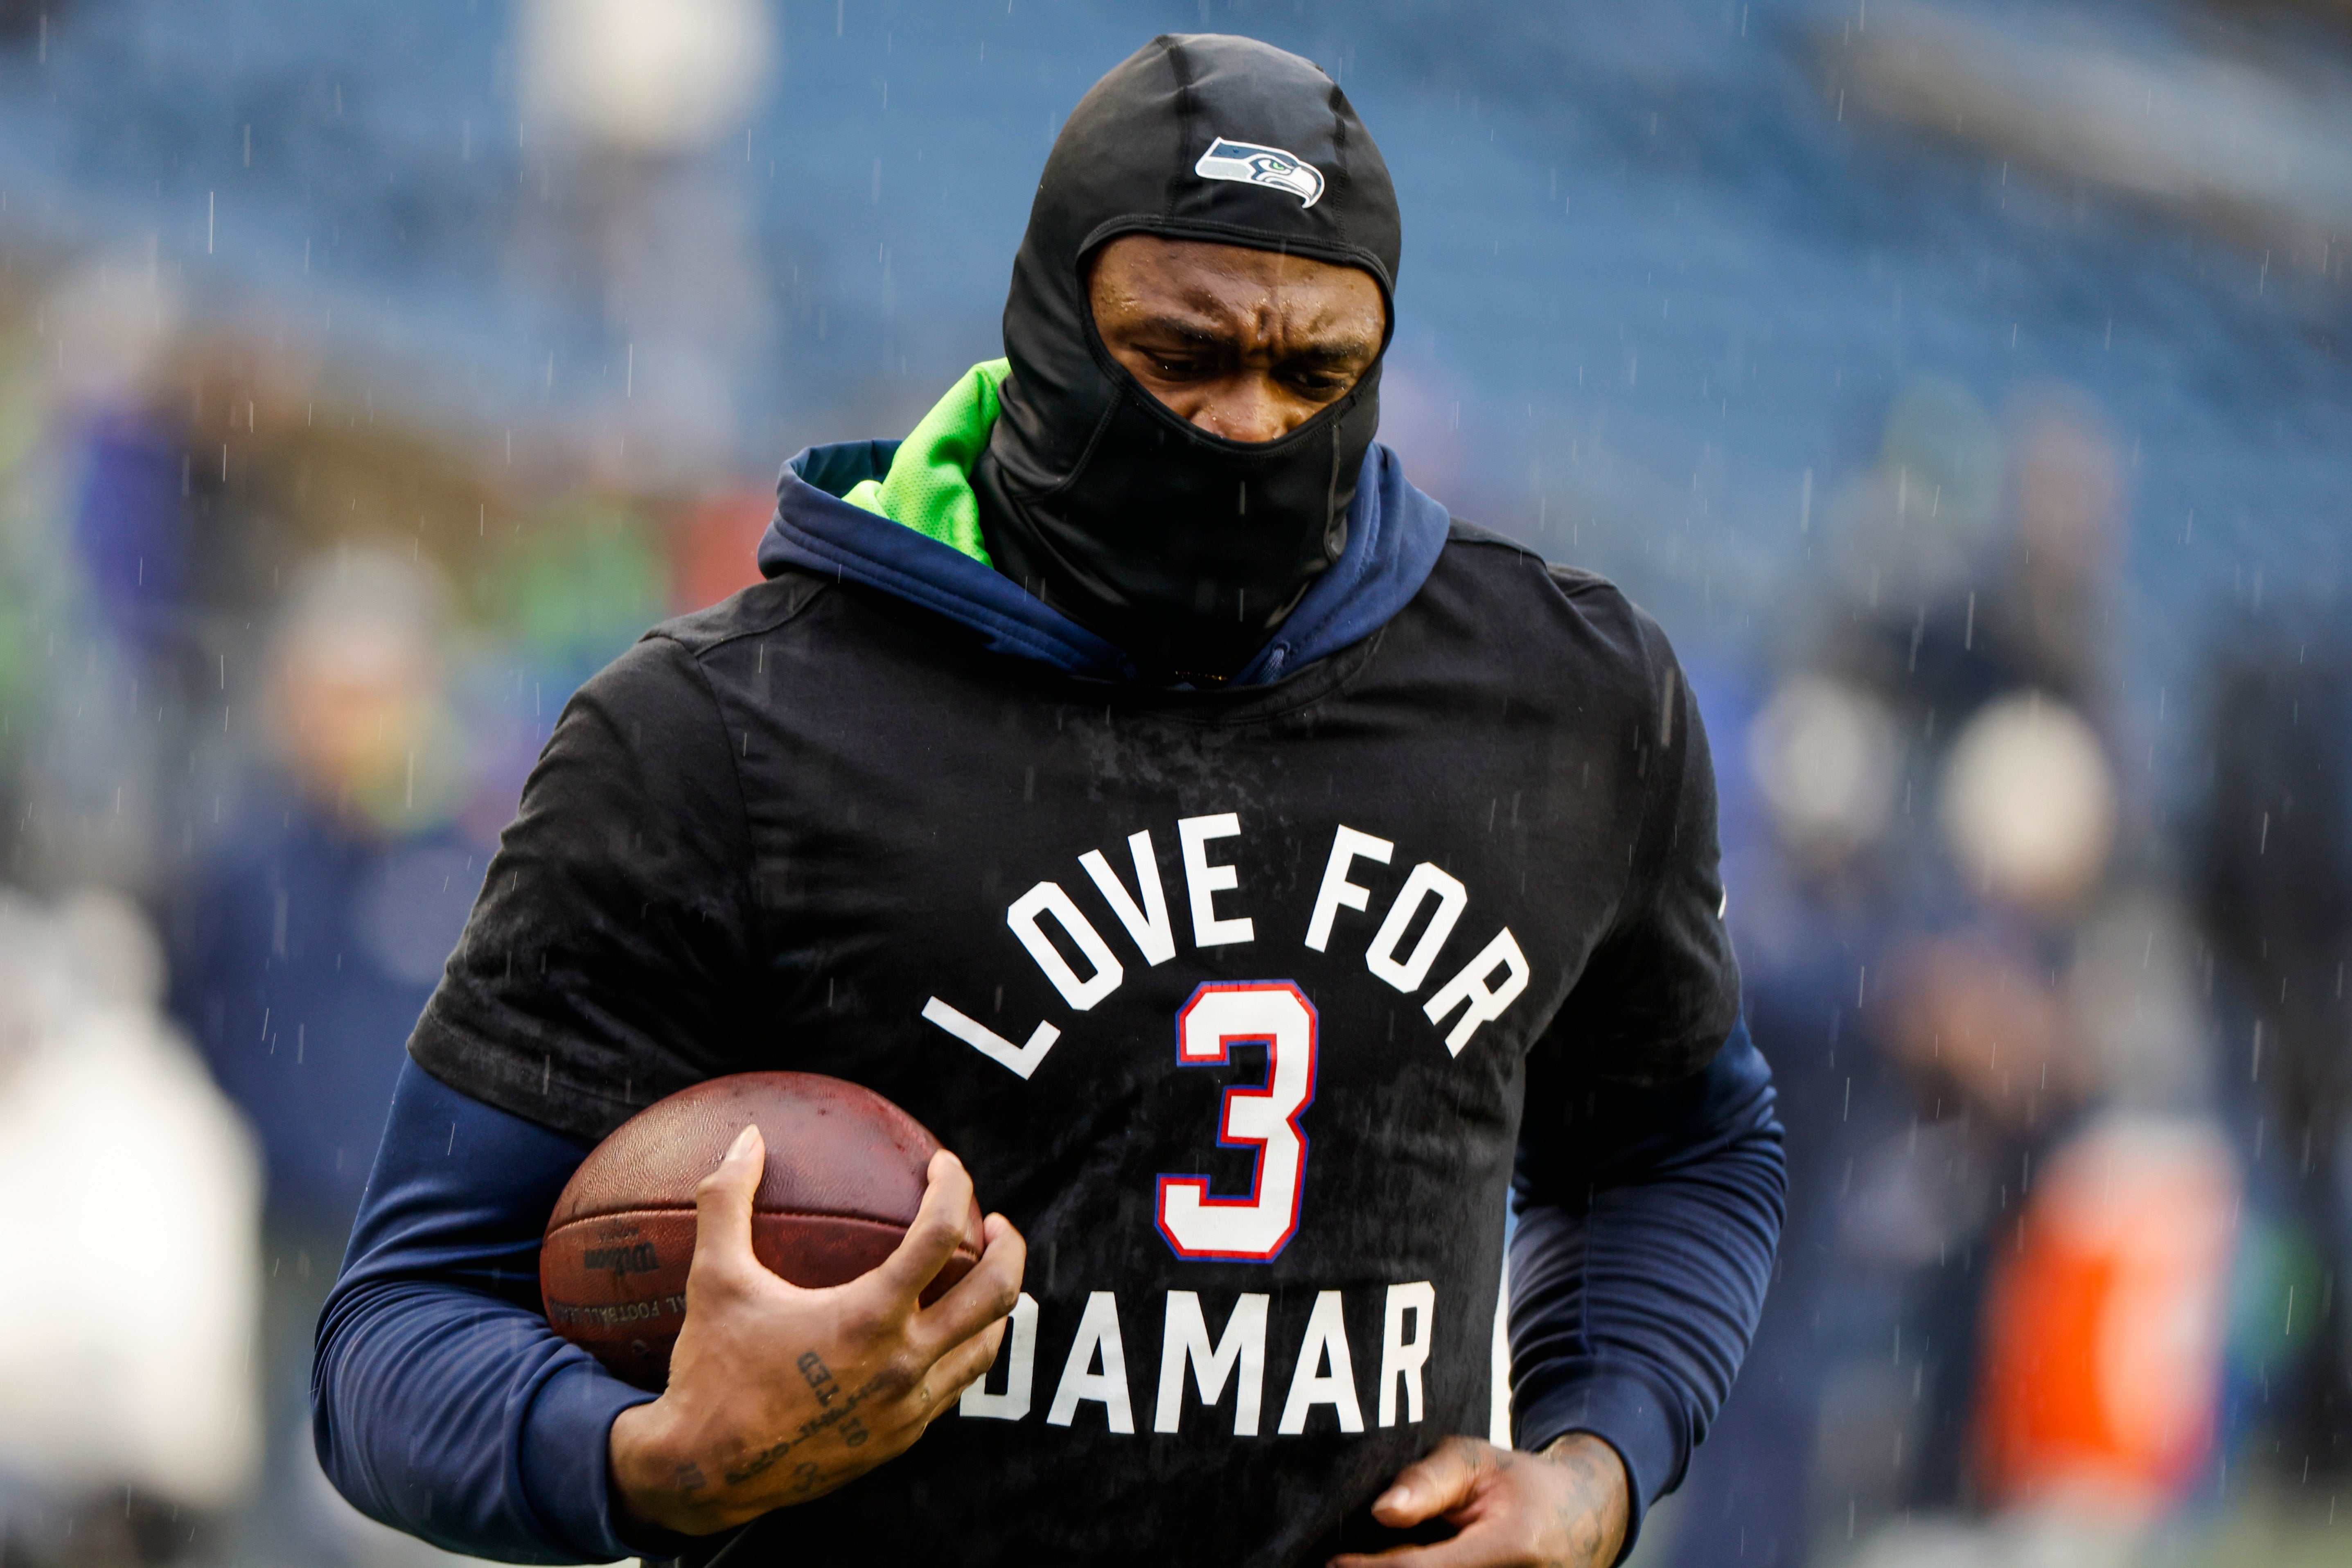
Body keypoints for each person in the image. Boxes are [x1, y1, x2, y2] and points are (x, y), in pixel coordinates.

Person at [312, 34, 1785, 1568]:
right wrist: (648, 1457)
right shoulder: (724, 733)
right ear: (1047, 328)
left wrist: (1593, 1467)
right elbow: (394, 1337)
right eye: (1183, 354)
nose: (1248, 426)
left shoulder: (1562, 696)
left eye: (1315, 372)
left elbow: (1677, 1152)